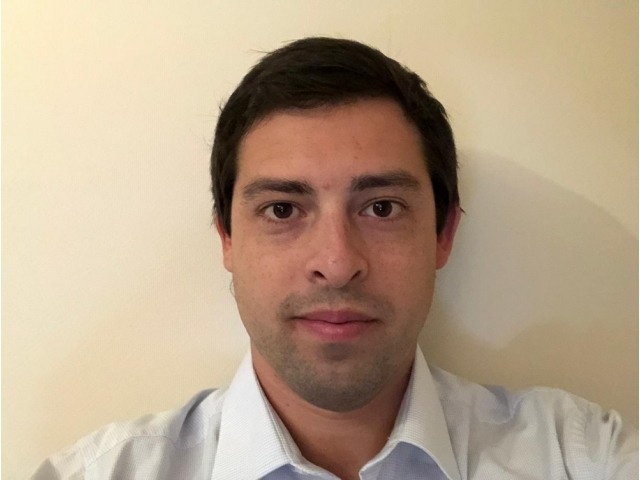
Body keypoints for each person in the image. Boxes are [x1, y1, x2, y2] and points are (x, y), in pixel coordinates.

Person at [32, 37, 636, 480]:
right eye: (282, 210)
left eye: (381, 208)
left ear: (443, 234)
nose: (337, 262)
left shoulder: (580, 458)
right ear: (227, 239)